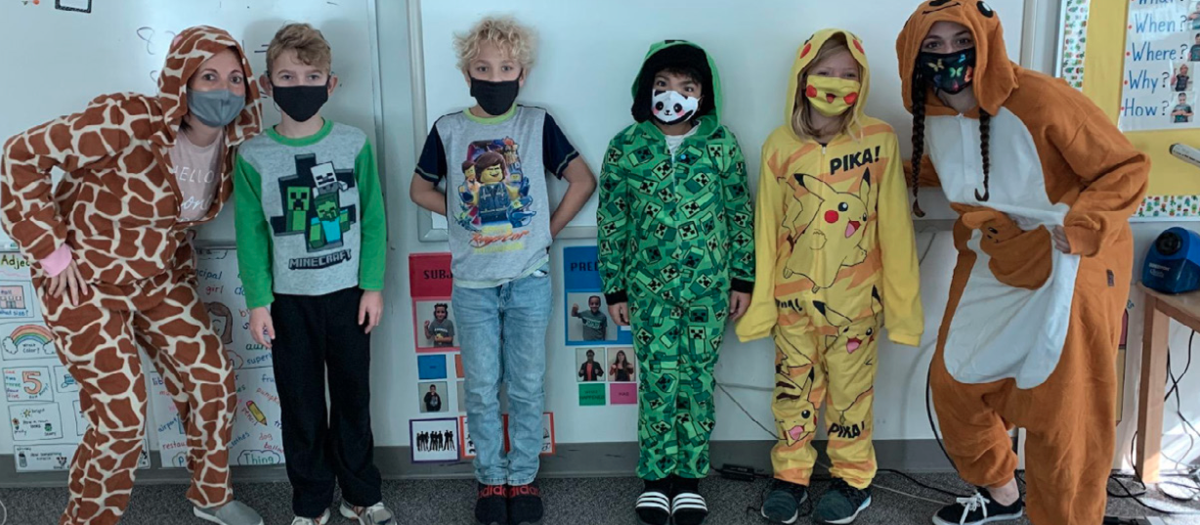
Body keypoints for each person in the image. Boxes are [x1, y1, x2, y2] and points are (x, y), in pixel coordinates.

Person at [897, 2, 1149, 524]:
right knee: (954, 386)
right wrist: (876, 171)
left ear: (985, 43)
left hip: (1068, 260)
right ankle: (1002, 496)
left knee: (1065, 415)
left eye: (960, 42)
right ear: (913, 56)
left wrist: (1082, 228)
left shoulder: (1040, 98)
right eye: (934, 47)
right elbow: (955, 167)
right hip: (995, 256)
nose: (949, 57)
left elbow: (1125, 168)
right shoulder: (930, 111)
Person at [0, 26, 263, 525]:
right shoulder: (126, 119)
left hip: (159, 280)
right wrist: (51, 254)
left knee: (212, 380)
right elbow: (19, 157)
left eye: (235, 79)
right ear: (182, 81)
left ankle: (210, 495)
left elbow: (173, 222)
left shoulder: (234, 149)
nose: (223, 90)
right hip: (83, 282)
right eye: (207, 76)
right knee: (121, 417)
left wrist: (177, 280)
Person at [409, 16, 596, 525]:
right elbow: (418, 189)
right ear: (467, 73)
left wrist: (548, 231)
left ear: (523, 74)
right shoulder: (449, 129)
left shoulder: (536, 123)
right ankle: (491, 479)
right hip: (471, 285)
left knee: (528, 383)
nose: (495, 77)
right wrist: (462, 211)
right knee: (482, 385)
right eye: (483, 68)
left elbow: (582, 180)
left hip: (529, 278)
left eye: (506, 67)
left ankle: (523, 476)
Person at [736, 29, 923, 525]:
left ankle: (852, 479)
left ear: (862, 83)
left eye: (848, 75)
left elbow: (897, 230)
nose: (836, 84)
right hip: (793, 305)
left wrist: (903, 311)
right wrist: (762, 305)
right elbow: (766, 230)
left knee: (850, 397)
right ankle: (790, 477)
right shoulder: (779, 145)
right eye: (825, 72)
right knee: (792, 396)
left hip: (856, 305)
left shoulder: (879, 140)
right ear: (802, 78)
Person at [233, 23, 391, 525]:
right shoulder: (253, 156)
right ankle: (309, 502)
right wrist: (258, 301)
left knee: (353, 401)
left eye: (312, 74)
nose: (300, 85)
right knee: (300, 408)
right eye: (287, 75)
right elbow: (251, 234)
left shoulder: (354, 143)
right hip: (288, 304)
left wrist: (372, 285)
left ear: (331, 83)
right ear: (267, 84)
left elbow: (373, 216)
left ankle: (361, 495)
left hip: (347, 297)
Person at [597, 39, 754, 525]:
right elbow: (612, 221)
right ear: (646, 91)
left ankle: (689, 481)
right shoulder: (626, 146)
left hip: (709, 290)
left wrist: (743, 279)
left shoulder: (721, 143)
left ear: (703, 95)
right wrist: (616, 287)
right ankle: (656, 479)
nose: (673, 95)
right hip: (648, 293)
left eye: (686, 86)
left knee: (697, 383)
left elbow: (738, 213)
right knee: (660, 384)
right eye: (662, 85)